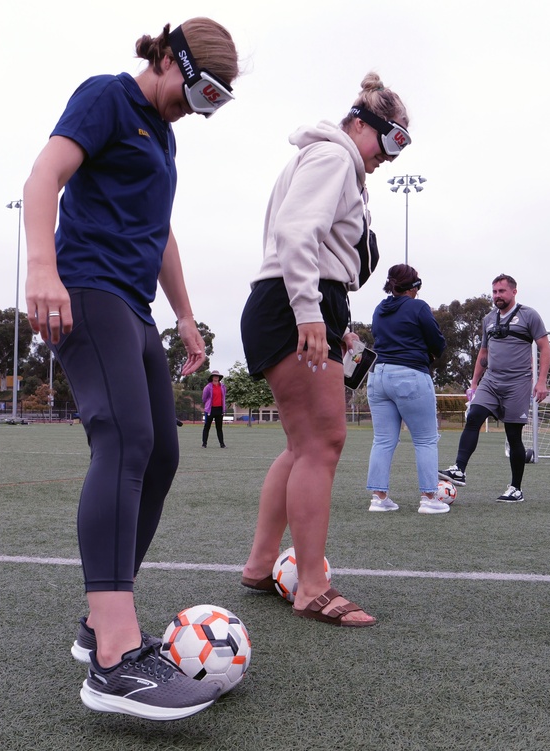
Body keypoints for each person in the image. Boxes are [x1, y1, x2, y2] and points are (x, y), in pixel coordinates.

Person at [22, 18, 239, 721]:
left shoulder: (167, 139)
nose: (199, 108)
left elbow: (161, 230)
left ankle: (98, 621)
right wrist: (41, 268)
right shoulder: (108, 98)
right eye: (201, 90)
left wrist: (182, 314)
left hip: (136, 306)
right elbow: (44, 175)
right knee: (124, 439)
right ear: (172, 60)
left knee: (164, 454)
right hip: (86, 287)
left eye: (217, 102)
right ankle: (114, 656)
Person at [238, 72, 412, 627]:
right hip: (293, 301)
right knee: (323, 441)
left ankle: (261, 565)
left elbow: (319, 249)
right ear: (361, 124)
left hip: (300, 300)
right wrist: (311, 311)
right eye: (391, 140)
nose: (391, 156)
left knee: (301, 444)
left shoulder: (332, 162)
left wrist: (331, 321)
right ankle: (312, 586)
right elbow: (296, 234)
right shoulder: (335, 158)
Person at [439, 274, 550, 502]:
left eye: (501, 291)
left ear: (513, 292)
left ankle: (516, 488)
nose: (497, 296)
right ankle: (459, 468)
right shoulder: (489, 319)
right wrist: (473, 383)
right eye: (494, 292)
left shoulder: (529, 316)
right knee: (474, 417)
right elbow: (484, 353)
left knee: (513, 435)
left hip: (517, 383)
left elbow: (545, 348)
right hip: (491, 381)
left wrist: (541, 381)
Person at [365, 264, 447, 514]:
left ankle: (379, 499)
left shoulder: (380, 308)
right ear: (414, 287)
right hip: (409, 375)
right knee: (425, 439)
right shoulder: (418, 307)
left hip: (378, 376)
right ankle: (429, 498)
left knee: (383, 440)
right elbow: (438, 343)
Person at [201, 370, 227, 448]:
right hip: (210, 410)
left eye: (217, 376)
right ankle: (204, 444)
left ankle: (222, 444)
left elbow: (224, 397)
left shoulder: (223, 387)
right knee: (207, 427)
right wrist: (208, 405)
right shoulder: (208, 387)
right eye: (214, 376)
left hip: (219, 410)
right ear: (212, 377)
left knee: (219, 428)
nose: (216, 377)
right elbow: (204, 398)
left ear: (219, 378)